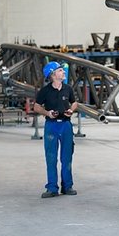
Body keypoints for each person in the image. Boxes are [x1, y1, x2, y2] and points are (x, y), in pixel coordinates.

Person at [33, 61, 78, 198]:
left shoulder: (68, 88)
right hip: (51, 126)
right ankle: (52, 188)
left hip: (66, 125)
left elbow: (74, 102)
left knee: (67, 157)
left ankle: (67, 186)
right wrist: (47, 113)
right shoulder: (45, 91)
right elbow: (36, 107)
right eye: (60, 71)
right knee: (51, 158)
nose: (63, 72)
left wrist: (71, 110)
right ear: (52, 75)